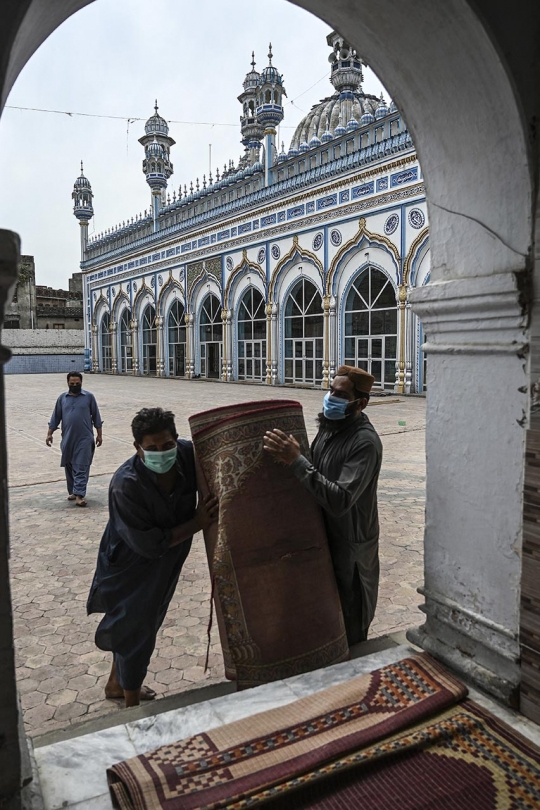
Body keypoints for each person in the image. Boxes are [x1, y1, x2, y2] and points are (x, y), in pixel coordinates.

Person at [87, 407, 218, 708]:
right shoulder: (126, 485)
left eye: (167, 445)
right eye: (152, 449)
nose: (162, 452)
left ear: (176, 440)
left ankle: (117, 684)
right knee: (137, 627)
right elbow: (148, 544)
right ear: (137, 448)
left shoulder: (185, 455)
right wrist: (197, 523)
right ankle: (132, 703)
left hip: (168, 558)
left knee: (137, 623)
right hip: (132, 561)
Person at [263, 365, 382, 645]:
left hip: (351, 548)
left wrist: (297, 461)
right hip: (325, 538)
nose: (331, 397)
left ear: (360, 403)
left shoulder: (364, 442)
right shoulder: (330, 430)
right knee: (325, 618)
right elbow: (315, 473)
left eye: (340, 394)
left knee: (351, 622)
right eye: (330, 390)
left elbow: (340, 499)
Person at [46, 372, 103, 507]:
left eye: (77, 383)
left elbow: (96, 417)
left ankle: (79, 495)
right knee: (70, 464)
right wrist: (49, 434)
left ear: (81, 383)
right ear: (68, 383)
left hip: (85, 438)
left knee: (81, 466)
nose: (75, 385)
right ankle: (73, 491)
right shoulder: (62, 398)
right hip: (67, 438)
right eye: (72, 384)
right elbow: (55, 418)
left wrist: (99, 435)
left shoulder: (89, 397)